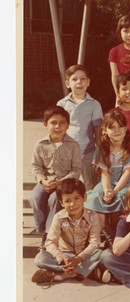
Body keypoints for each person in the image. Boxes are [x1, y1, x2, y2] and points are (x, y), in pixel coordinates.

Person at [31, 178, 102, 286]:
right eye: (67, 201)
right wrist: (63, 259)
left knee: (100, 253)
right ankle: (76, 271)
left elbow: (95, 242)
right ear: (61, 203)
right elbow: (50, 242)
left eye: (77, 198)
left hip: (83, 255)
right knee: (40, 259)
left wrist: (77, 259)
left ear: (84, 198)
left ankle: (62, 275)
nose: (73, 204)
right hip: (64, 255)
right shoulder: (59, 217)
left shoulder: (92, 216)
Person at [30, 106, 82, 249]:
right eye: (53, 123)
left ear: (68, 125)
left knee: (54, 200)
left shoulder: (73, 145)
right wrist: (43, 181)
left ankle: (48, 236)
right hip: (46, 180)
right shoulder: (40, 145)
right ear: (46, 125)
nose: (58, 126)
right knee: (35, 197)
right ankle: (42, 229)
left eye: (62, 123)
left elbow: (77, 170)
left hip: (65, 182)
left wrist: (61, 182)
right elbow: (36, 167)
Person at [84, 110, 130, 230]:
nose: (117, 131)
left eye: (120, 127)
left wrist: (114, 192)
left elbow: (127, 173)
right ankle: (104, 232)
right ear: (105, 130)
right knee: (97, 196)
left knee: (122, 196)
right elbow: (105, 173)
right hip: (107, 181)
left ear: (125, 128)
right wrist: (107, 190)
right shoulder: (102, 147)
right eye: (112, 128)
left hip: (127, 181)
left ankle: (117, 232)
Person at [57, 64, 103, 190]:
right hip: (67, 151)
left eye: (83, 79)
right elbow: (58, 130)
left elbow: (98, 130)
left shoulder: (94, 104)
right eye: (74, 79)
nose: (79, 82)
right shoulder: (61, 104)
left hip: (88, 151)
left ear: (88, 82)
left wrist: (98, 154)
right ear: (67, 83)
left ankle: (89, 209)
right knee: (68, 186)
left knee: (90, 185)